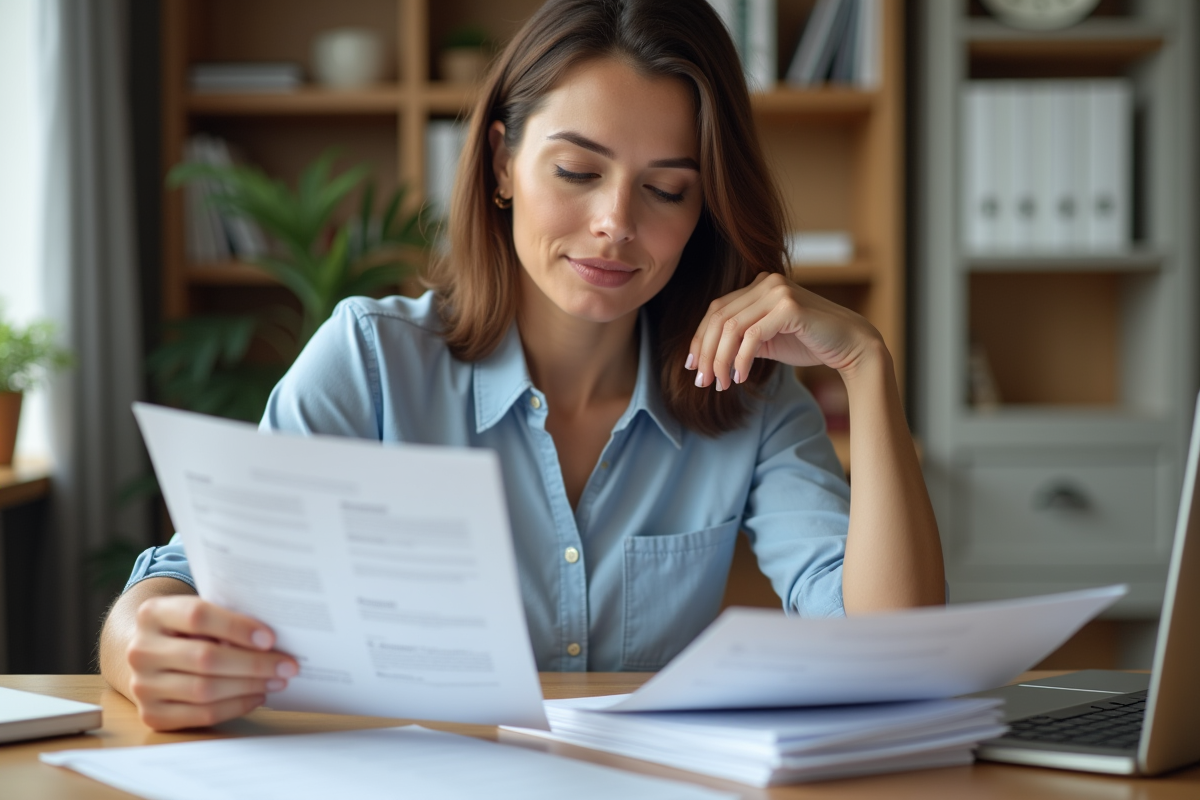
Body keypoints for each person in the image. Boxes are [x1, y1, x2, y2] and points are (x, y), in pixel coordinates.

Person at [99, 0, 945, 732]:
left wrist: (866, 366)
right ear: (503, 162)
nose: (615, 223)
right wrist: (144, 642)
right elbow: (178, 585)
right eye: (577, 170)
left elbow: (889, 654)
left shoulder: (747, 394)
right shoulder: (371, 362)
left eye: (667, 189)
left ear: (705, 208)